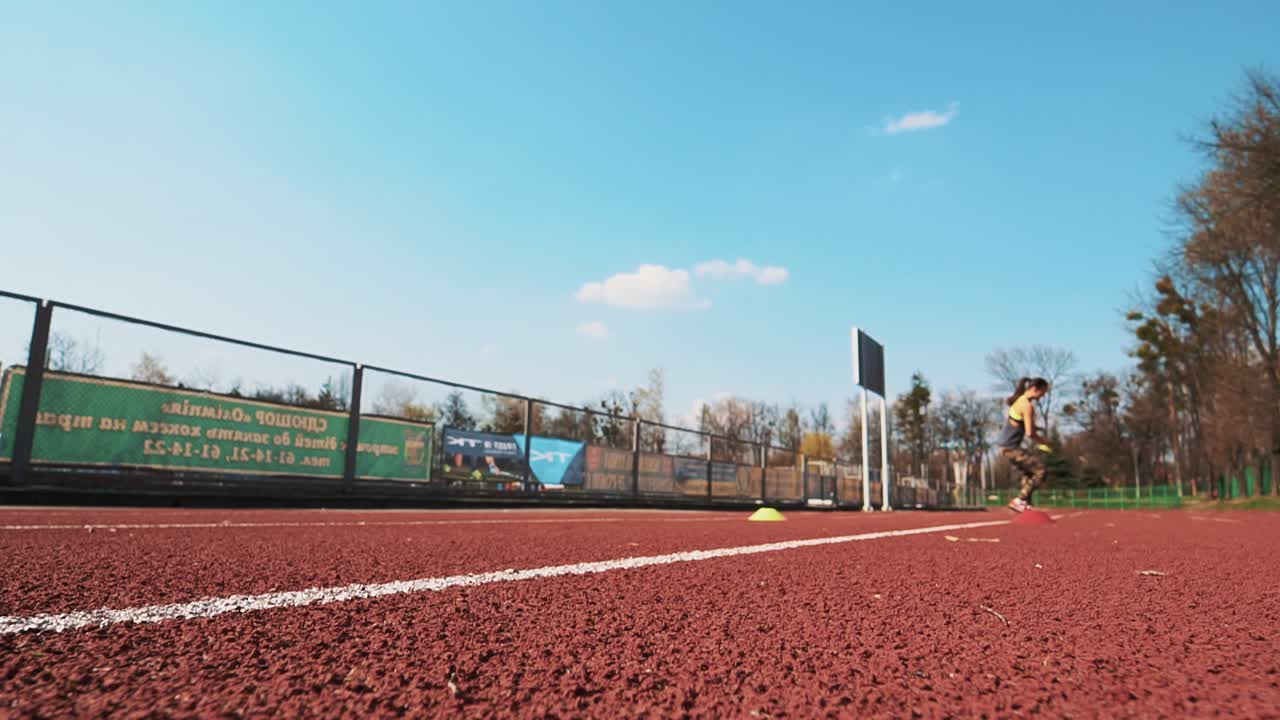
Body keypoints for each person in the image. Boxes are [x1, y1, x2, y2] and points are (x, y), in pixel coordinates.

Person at [995, 377, 1052, 512]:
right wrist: (1044, 442)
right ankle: (1020, 500)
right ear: (1034, 389)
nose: (1042, 396)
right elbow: (1029, 433)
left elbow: (1021, 424)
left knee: (1029, 472)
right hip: (1010, 448)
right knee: (1041, 470)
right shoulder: (1027, 405)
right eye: (1042, 393)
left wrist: (1037, 429)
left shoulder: (1020, 400)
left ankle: (1025, 503)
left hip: (1007, 446)